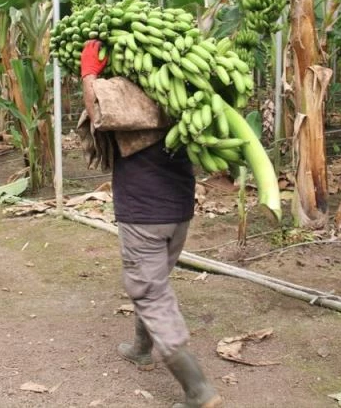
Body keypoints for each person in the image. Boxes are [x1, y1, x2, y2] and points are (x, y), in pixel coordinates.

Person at [80, 39, 223, 408]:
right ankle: (141, 347)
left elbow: (97, 112)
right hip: (178, 211)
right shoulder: (187, 93)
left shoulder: (125, 95)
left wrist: (88, 73)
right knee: (154, 280)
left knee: (150, 291)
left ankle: (198, 390)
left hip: (143, 215)